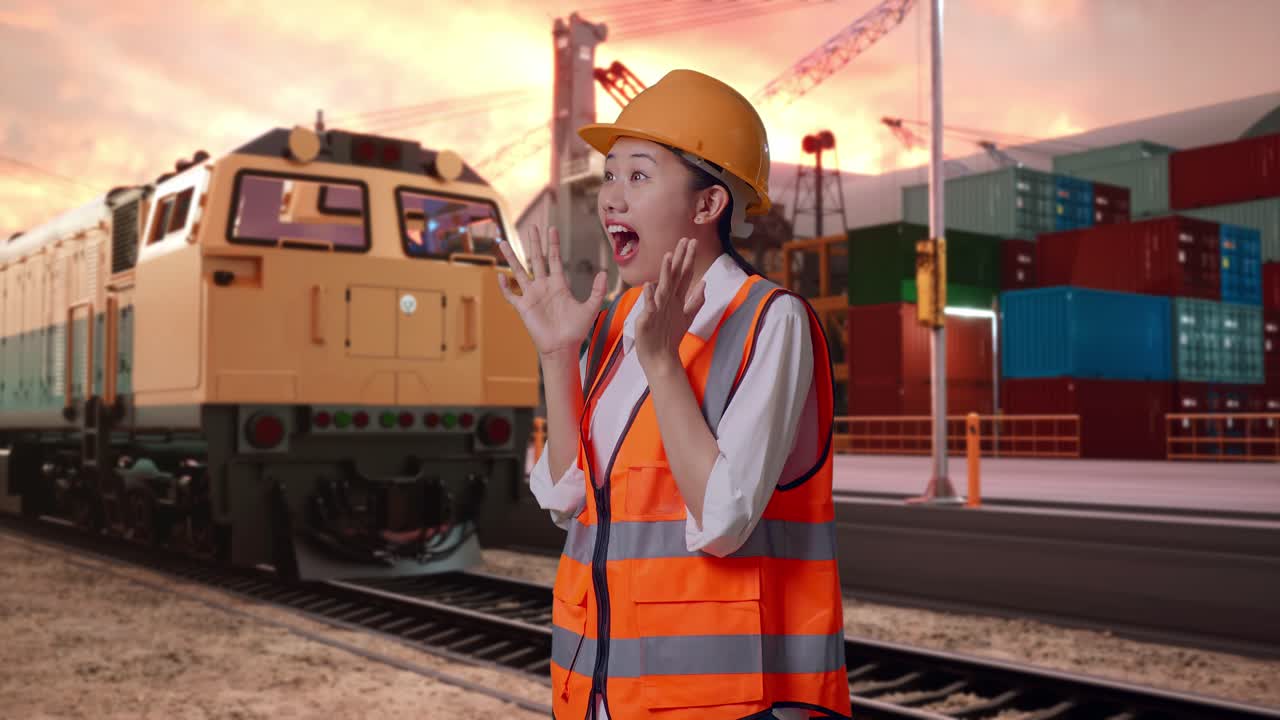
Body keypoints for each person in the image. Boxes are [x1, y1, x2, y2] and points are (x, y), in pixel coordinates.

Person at [496, 68, 851, 720]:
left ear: (708, 205)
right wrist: (557, 357)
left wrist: (662, 363)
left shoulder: (769, 322)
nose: (610, 199)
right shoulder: (616, 322)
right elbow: (567, 496)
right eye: (608, 176)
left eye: (638, 175)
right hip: (600, 696)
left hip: (720, 705)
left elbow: (723, 522)